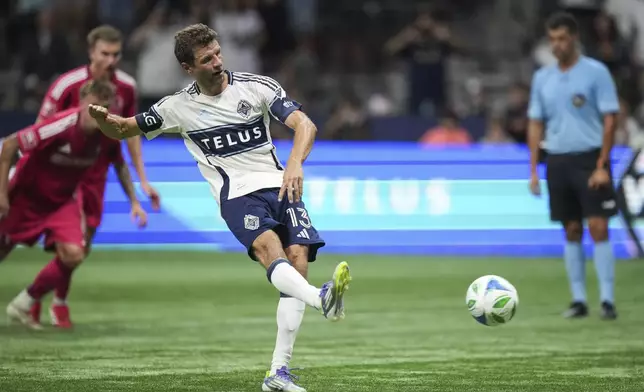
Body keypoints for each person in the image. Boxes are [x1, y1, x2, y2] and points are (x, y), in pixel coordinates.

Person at [88, 23, 351, 392]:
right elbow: (123, 129)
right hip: (237, 193)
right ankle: (320, 299)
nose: (217, 62)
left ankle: (278, 373)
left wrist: (294, 163)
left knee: (299, 261)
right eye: (206, 59)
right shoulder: (176, 108)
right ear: (188, 68)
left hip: (281, 185)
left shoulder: (258, 86)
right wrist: (105, 122)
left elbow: (304, 125)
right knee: (269, 251)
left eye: (217, 53)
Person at [34, 24, 160, 325]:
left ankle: (42, 298)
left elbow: (131, 133)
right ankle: (48, 301)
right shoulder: (67, 84)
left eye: (116, 54)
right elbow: (41, 126)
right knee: (73, 245)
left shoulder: (127, 87)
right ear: (91, 52)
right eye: (105, 53)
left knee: (83, 245)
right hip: (64, 173)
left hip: (98, 173)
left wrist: (142, 181)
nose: (111, 60)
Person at [1, 80, 146, 330]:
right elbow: (10, 144)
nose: (97, 113)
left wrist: (134, 201)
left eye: (104, 108)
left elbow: (119, 164)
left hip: (62, 201)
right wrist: (2, 194)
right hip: (26, 196)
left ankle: (23, 303)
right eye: (93, 106)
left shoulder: (108, 133)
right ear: (80, 103)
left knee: (75, 254)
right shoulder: (59, 125)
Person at [528, 12, 619, 320]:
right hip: (558, 160)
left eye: (562, 38)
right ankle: (579, 299)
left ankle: (607, 299)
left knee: (598, 226)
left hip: (589, 157)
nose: (557, 45)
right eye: (552, 39)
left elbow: (610, 119)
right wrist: (532, 170)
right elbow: (536, 123)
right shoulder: (543, 78)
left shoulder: (596, 73)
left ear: (575, 38)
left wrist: (602, 163)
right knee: (571, 228)